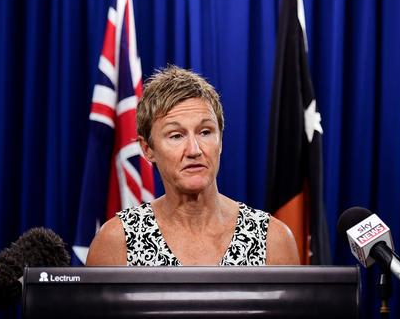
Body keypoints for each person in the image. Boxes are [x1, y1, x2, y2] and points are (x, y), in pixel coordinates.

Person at [86, 65, 300, 266]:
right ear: (148, 149)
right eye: (176, 136)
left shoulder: (272, 240)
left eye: (205, 132)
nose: (194, 150)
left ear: (221, 140)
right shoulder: (116, 242)